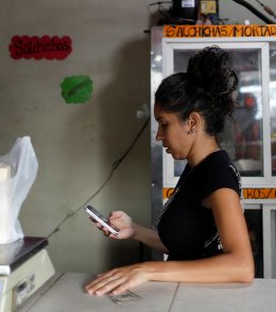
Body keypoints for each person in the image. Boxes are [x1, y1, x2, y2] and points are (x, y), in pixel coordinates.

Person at [85, 46, 255, 296]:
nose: (158, 135)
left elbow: (241, 266)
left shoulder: (217, 175)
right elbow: (187, 243)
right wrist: (135, 230)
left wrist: (147, 270)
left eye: (164, 124)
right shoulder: (196, 168)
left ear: (193, 122)